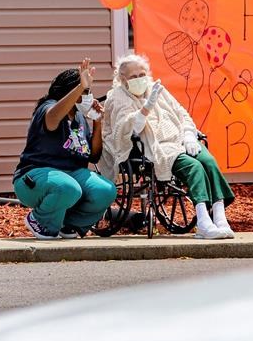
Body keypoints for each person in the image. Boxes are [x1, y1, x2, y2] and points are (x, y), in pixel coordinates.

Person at [101, 53, 236, 239]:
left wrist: (188, 134)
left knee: (208, 161)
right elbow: (127, 131)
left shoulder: (156, 88)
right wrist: (146, 107)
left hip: (178, 138)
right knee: (194, 167)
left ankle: (220, 218)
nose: (139, 79)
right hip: (152, 145)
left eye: (142, 74)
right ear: (122, 79)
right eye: (133, 77)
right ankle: (204, 222)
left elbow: (181, 113)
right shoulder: (117, 98)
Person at [13, 58, 118, 240]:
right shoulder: (47, 108)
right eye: (85, 91)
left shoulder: (79, 117)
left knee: (106, 190)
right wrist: (79, 87)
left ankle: (70, 225)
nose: (88, 96)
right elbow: (53, 117)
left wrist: (98, 122)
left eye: (88, 91)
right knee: (68, 187)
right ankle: (41, 221)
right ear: (69, 90)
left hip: (71, 176)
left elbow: (93, 157)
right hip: (34, 178)